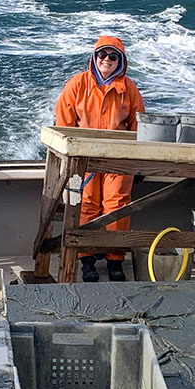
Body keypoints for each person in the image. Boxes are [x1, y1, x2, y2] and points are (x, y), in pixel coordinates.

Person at [54, 35, 145, 282]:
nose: (107, 60)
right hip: (84, 159)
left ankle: (116, 260)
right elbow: (64, 122)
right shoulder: (77, 84)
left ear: (120, 61)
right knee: (86, 205)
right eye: (102, 55)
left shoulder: (129, 89)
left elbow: (139, 125)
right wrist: (67, 155)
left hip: (118, 159)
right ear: (94, 57)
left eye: (113, 56)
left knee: (117, 205)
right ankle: (86, 259)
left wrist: (138, 163)